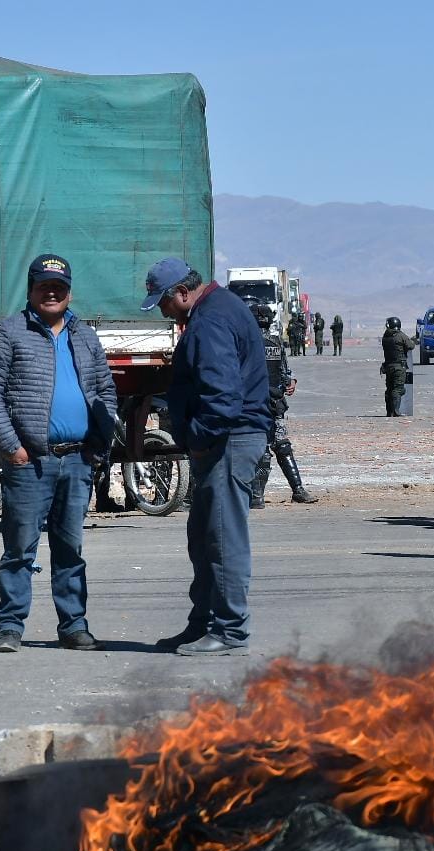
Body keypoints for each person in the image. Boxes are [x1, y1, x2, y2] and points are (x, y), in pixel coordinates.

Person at [0, 254, 117, 653]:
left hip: (77, 460)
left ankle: (74, 626)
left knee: (70, 548)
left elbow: (105, 391)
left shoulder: (86, 336)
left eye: (59, 286)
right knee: (19, 548)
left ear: (69, 292)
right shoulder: (9, 333)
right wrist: (13, 448)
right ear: (31, 290)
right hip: (30, 462)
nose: (51, 292)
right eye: (44, 286)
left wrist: (98, 446)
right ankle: (10, 628)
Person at [142, 257, 271, 656]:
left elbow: (223, 395)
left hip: (227, 441)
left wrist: (198, 438)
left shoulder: (211, 321)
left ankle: (230, 630)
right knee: (203, 536)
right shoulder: (217, 310)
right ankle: (203, 623)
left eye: (163, 302)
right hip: (224, 439)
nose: (162, 311)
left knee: (222, 538)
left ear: (182, 292)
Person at [250, 303, 318, 508]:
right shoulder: (276, 342)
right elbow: (286, 374)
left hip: (255, 404)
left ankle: (256, 496)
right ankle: (297, 489)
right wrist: (290, 383)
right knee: (282, 446)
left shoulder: (247, 343)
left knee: (262, 449)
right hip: (275, 403)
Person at [380, 315, 414, 416]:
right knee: (398, 389)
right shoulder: (400, 335)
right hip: (399, 367)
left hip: (388, 366)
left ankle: (389, 411)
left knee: (389, 389)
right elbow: (410, 345)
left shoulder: (385, 337)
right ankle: (396, 411)